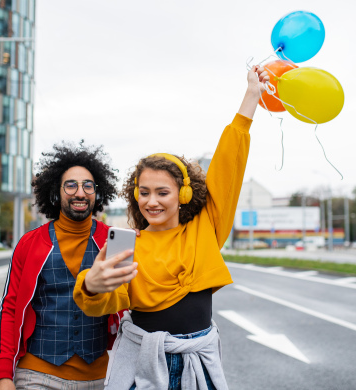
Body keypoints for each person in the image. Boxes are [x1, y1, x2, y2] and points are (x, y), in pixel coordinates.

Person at [73, 65, 269, 390]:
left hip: (198, 359)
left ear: (184, 194)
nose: (152, 201)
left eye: (163, 192)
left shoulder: (205, 229)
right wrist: (91, 285)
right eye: (144, 192)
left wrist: (251, 95)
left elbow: (228, 162)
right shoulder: (129, 245)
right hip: (144, 362)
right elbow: (102, 302)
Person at [0, 142, 122, 390]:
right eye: (71, 185)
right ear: (56, 191)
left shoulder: (113, 240)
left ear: (98, 192)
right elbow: (10, 309)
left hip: (102, 377)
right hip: (37, 374)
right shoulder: (29, 244)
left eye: (88, 185)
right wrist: (4, 375)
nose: (80, 193)